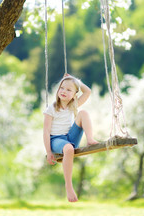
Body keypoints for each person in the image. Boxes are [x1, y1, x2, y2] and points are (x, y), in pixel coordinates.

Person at [43, 74, 99, 202]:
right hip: (56, 140)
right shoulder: (51, 109)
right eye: (62, 88)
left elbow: (88, 91)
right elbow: (46, 131)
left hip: (70, 138)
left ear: (74, 95)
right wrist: (49, 152)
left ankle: (90, 139)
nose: (64, 91)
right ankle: (68, 186)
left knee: (83, 113)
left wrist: (75, 80)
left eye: (69, 90)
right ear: (58, 90)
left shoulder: (73, 105)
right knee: (68, 149)